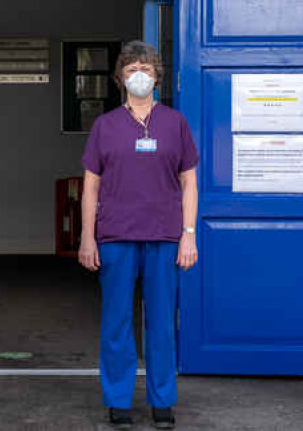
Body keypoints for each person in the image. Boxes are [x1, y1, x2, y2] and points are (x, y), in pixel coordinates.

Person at [78, 40, 199, 430]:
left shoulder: (174, 123)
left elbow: (189, 183)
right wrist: (87, 236)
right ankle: (118, 400)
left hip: (164, 237)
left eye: (145, 68)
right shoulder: (105, 125)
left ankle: (162, 399)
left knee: (162, 323)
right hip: (116, 235)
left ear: (157, 76)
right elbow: (91, 185)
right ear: (120, 78)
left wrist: (189, 235)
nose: (139, 75)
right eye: (131, 70)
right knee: (116, 322)